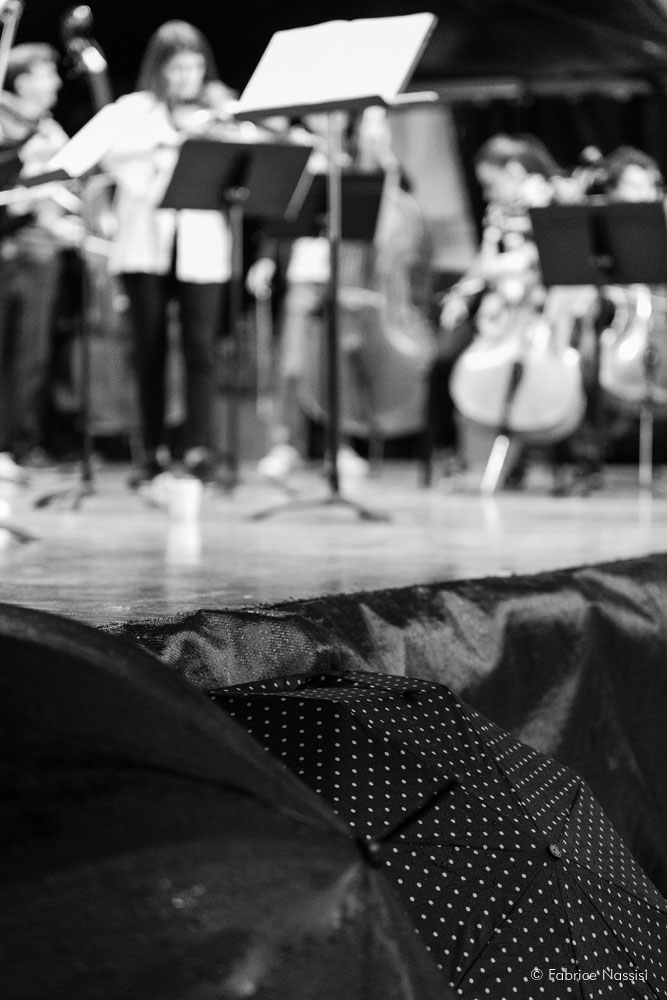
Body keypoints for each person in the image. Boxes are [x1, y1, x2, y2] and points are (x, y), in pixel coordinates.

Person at [51, 21, 237, 486]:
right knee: (148, 351)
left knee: (201, 351)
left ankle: (200, 451)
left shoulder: (219, 112)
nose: (187, 78)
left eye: (195, 67)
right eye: (177, 68)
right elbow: (89, 154)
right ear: (160, 69)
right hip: (143, 246)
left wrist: (224, 124)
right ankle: (150, 453)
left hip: (202, 246)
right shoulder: (133, 110)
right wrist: (159, 145)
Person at [423, 133, 572, 488]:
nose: (488, 193)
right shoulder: (499, 211)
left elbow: (557, 258)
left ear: (515, 170)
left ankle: (554, 460)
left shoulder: (553, 201)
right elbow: (484, 263)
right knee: (444, 359)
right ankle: (452, 454)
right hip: (499, 314)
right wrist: (461, 297)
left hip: (543, 312)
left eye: (491, 183)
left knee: (549, 373)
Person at [0, 43, 73, 480]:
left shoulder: (51, 131)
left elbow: (63, 190)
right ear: (24, 80)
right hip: (6, 248)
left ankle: (21, 445)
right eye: (48, 73)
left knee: (33, 356)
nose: (57, 82)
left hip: (42, 252)